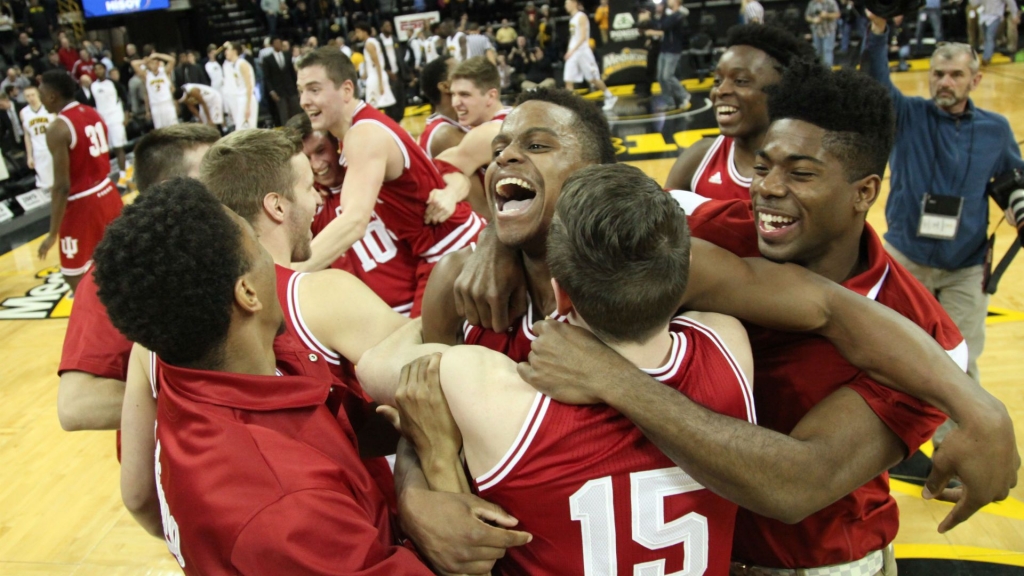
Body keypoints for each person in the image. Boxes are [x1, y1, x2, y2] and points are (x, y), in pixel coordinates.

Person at [426, 86, 1019, 547]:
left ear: (865, 191)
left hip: (804, 554)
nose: (766, 191)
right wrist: (497, 241)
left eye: (802, 173)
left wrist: (981, 409)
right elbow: (408, 399)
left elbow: (797, 482)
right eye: (761, 168)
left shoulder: (921, 340)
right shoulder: (695, 228)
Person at [358, 165, 756, 575]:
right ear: (683, 269)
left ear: (560, 295)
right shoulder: (728, 343)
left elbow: (372, 365)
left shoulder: (484, 385)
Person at [91, 178, 433, 574]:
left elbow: (352, 433)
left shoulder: (201, 363)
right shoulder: (285, 506)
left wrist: (412, 487)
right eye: (255, 239)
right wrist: (436, 471)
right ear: (247, 294)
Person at [863, 15, 1024, 439]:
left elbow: (1012, 179)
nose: (944, 82)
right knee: (892, 356)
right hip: (905, 259)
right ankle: (894, 440)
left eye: (956, 75)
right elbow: (876, 79)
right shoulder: (908, 115)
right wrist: (878, 33)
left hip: (966, 266)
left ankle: (960, 450)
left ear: (976, 78)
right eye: (938, 74)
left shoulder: (996, 129)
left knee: (962, 361)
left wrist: (1015, 204)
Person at [56, 124, 221, 433]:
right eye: (215, 174)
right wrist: (210, 399)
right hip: (180, 464)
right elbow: (76, 404)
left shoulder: (235, 239)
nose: (229, 183)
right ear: (171, 188)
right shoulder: (119, 271)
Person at [295, 48, 484, 315]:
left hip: (452, 247)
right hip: (437, 251)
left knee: (418, 350)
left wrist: (287, 276)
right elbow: (442, 171)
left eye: (314, 89)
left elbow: (353, 222)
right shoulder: (354, 133)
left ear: (347, 89)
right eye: (301, 90)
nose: (304, 100)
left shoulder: (364, 135)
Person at [664, 24, 816, 199]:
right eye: (717, 80)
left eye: (741, 81)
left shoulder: (808, 168)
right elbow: (658, 224)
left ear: (782, 91)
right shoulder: (698, 159)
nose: (721, 90)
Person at [35, 70, 123, 293]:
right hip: (108, 192)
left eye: (41, 93)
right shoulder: (92, 112)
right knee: (114, 262)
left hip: (83, 204)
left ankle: (99, 323)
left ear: (53, 96)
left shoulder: (58, 127)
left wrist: (53, 233)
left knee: (74, 276)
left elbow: (62, 186)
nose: (40, 98)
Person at [429, 56, 512, 219]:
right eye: (453, 94)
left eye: (465, 95)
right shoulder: (513, 115)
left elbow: (426, 175)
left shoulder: (486, 134)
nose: (455, 103)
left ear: (491, 96)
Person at [563, 0, 617, 110]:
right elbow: (573, 37)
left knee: (593, 79)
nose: (565, 5)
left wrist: (572, 50)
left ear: (574, 3)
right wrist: (569, 50)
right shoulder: (572, 19)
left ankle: (610, 96)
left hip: (583, 52)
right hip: (573, 53)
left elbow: (583, 37)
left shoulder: (581, 16)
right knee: (568, 79)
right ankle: (571, 107)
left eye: (567, 3)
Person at [644, 0, 691, 110]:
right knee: (660, 77)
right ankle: (669, 102)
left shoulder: (678, 15)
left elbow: (663, 26)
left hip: (673, 50)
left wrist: (652, 23)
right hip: (664, 48)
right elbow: (659, 24)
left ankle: (684, 95)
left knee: (667, 76)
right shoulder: (670, 14)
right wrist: (653, 16)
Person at [417, 55, 466, 159]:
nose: (469, 74)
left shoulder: (456, 122)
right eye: (461, 71)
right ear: (445, 87)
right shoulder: (444, 134)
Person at [91, 63, 128, 177]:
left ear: (105, 70)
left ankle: (123, 174)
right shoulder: (93, 86)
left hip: (116, 119)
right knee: (106, 149)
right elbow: (92, 104)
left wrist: (126, 116)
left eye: (100, 68)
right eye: (96, 69)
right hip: (102, 121)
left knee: (118, 147)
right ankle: (122, 168)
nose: (98, 71)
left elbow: (125, 99)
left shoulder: (113, 83)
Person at [353, 21, 397, 111]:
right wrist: (365, 73)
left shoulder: (369, 44)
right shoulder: (371, 42)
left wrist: (380, 83)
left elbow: (377, 64)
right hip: (375, 75)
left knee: (372, 106)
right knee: (376, 105)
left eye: (358, 32)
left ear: (364, 32)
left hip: (376, 77)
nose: (356, 35)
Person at [20, 85, 55, 193]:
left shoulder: (49, 108)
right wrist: (29, 156)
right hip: (38, 152)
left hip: (53, 148)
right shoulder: (23, 113)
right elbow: (27, 136)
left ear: (38, 95)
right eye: (28, 96)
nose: (31, 98)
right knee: (48, 184)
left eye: (33, 95)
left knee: (62, 179)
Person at [132, 52, 179, 129]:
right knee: (160, 129)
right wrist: (145, 61)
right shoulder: (146, 75)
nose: (154, 65)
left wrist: (157, 55)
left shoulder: (164, 72)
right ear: (148, 65)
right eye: (151, 63)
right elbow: (134, 63)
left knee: (173, 126)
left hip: (167, 103)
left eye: (155, 63)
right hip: (155, 105)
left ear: (158, 64)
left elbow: (172, 60)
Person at [262, 37, 300, 127]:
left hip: (291, 88)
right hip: (278, 90)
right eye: (276, 43)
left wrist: (297, 86)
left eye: (280, 42)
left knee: (296, 111)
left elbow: (292, 73)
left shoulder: (287, 55)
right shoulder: (268, 59)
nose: (278, 44)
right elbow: (267, 78)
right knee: (284, 114)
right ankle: (288, 133)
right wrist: (272, 91)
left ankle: (301, 129)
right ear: (272, 45)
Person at [221, 41, 257, 130]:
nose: (226, 52)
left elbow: (249, 86)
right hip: (240, 99)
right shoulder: (233, 64)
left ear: (235, 51)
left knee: (245, 130)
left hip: (247, 99)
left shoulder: (242, 64)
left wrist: (248, 107)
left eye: (228, 50)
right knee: (241, 130)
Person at [969, 0, 1018, 64]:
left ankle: (986, 57)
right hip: (984, 17)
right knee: (986, 37)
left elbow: (1011, 2)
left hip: (995, 16)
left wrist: (1014, 15)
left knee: (989, 36)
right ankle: (991, 50)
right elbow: (974, 3)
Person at [805, 0, 841, 67]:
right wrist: (813, 20)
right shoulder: (812, 3)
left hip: (829, 31)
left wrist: (827, 15)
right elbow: (807, 16)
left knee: (827, 51)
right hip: (816, 32)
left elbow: (837, 14)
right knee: (818, 52)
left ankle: (828, 72)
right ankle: (820, 71)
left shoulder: (831, 2)